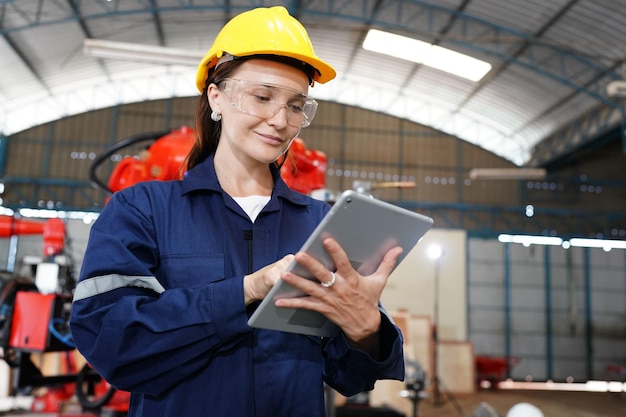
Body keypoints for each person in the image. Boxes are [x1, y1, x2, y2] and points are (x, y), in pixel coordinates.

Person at [70, 6, 405, 417]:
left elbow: (349, 377)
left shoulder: (322, 224)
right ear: (216, 96)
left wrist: (366, 330)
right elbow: (111, 340)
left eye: (297, 106)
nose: (280, 120)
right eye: (262, 97)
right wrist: (246, 291)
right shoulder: (142, 209)